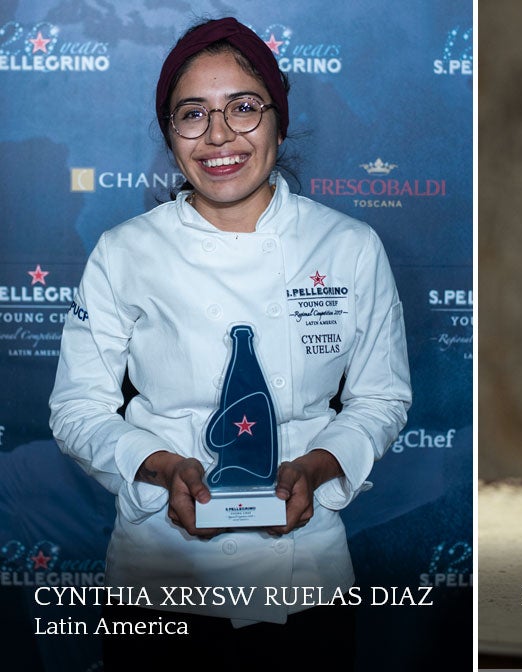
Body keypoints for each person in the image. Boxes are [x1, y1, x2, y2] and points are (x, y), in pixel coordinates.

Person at [48, 17, 411, 665]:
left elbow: (381, 399)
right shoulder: (126, 252)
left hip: (307, 584)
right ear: (169, 133)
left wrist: (317, 469)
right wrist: (163, 468)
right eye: (193, 114)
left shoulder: (349, 247)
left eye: (243, 108)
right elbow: (77, 410)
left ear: (278, 118)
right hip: (158, 580)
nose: (219, 136)